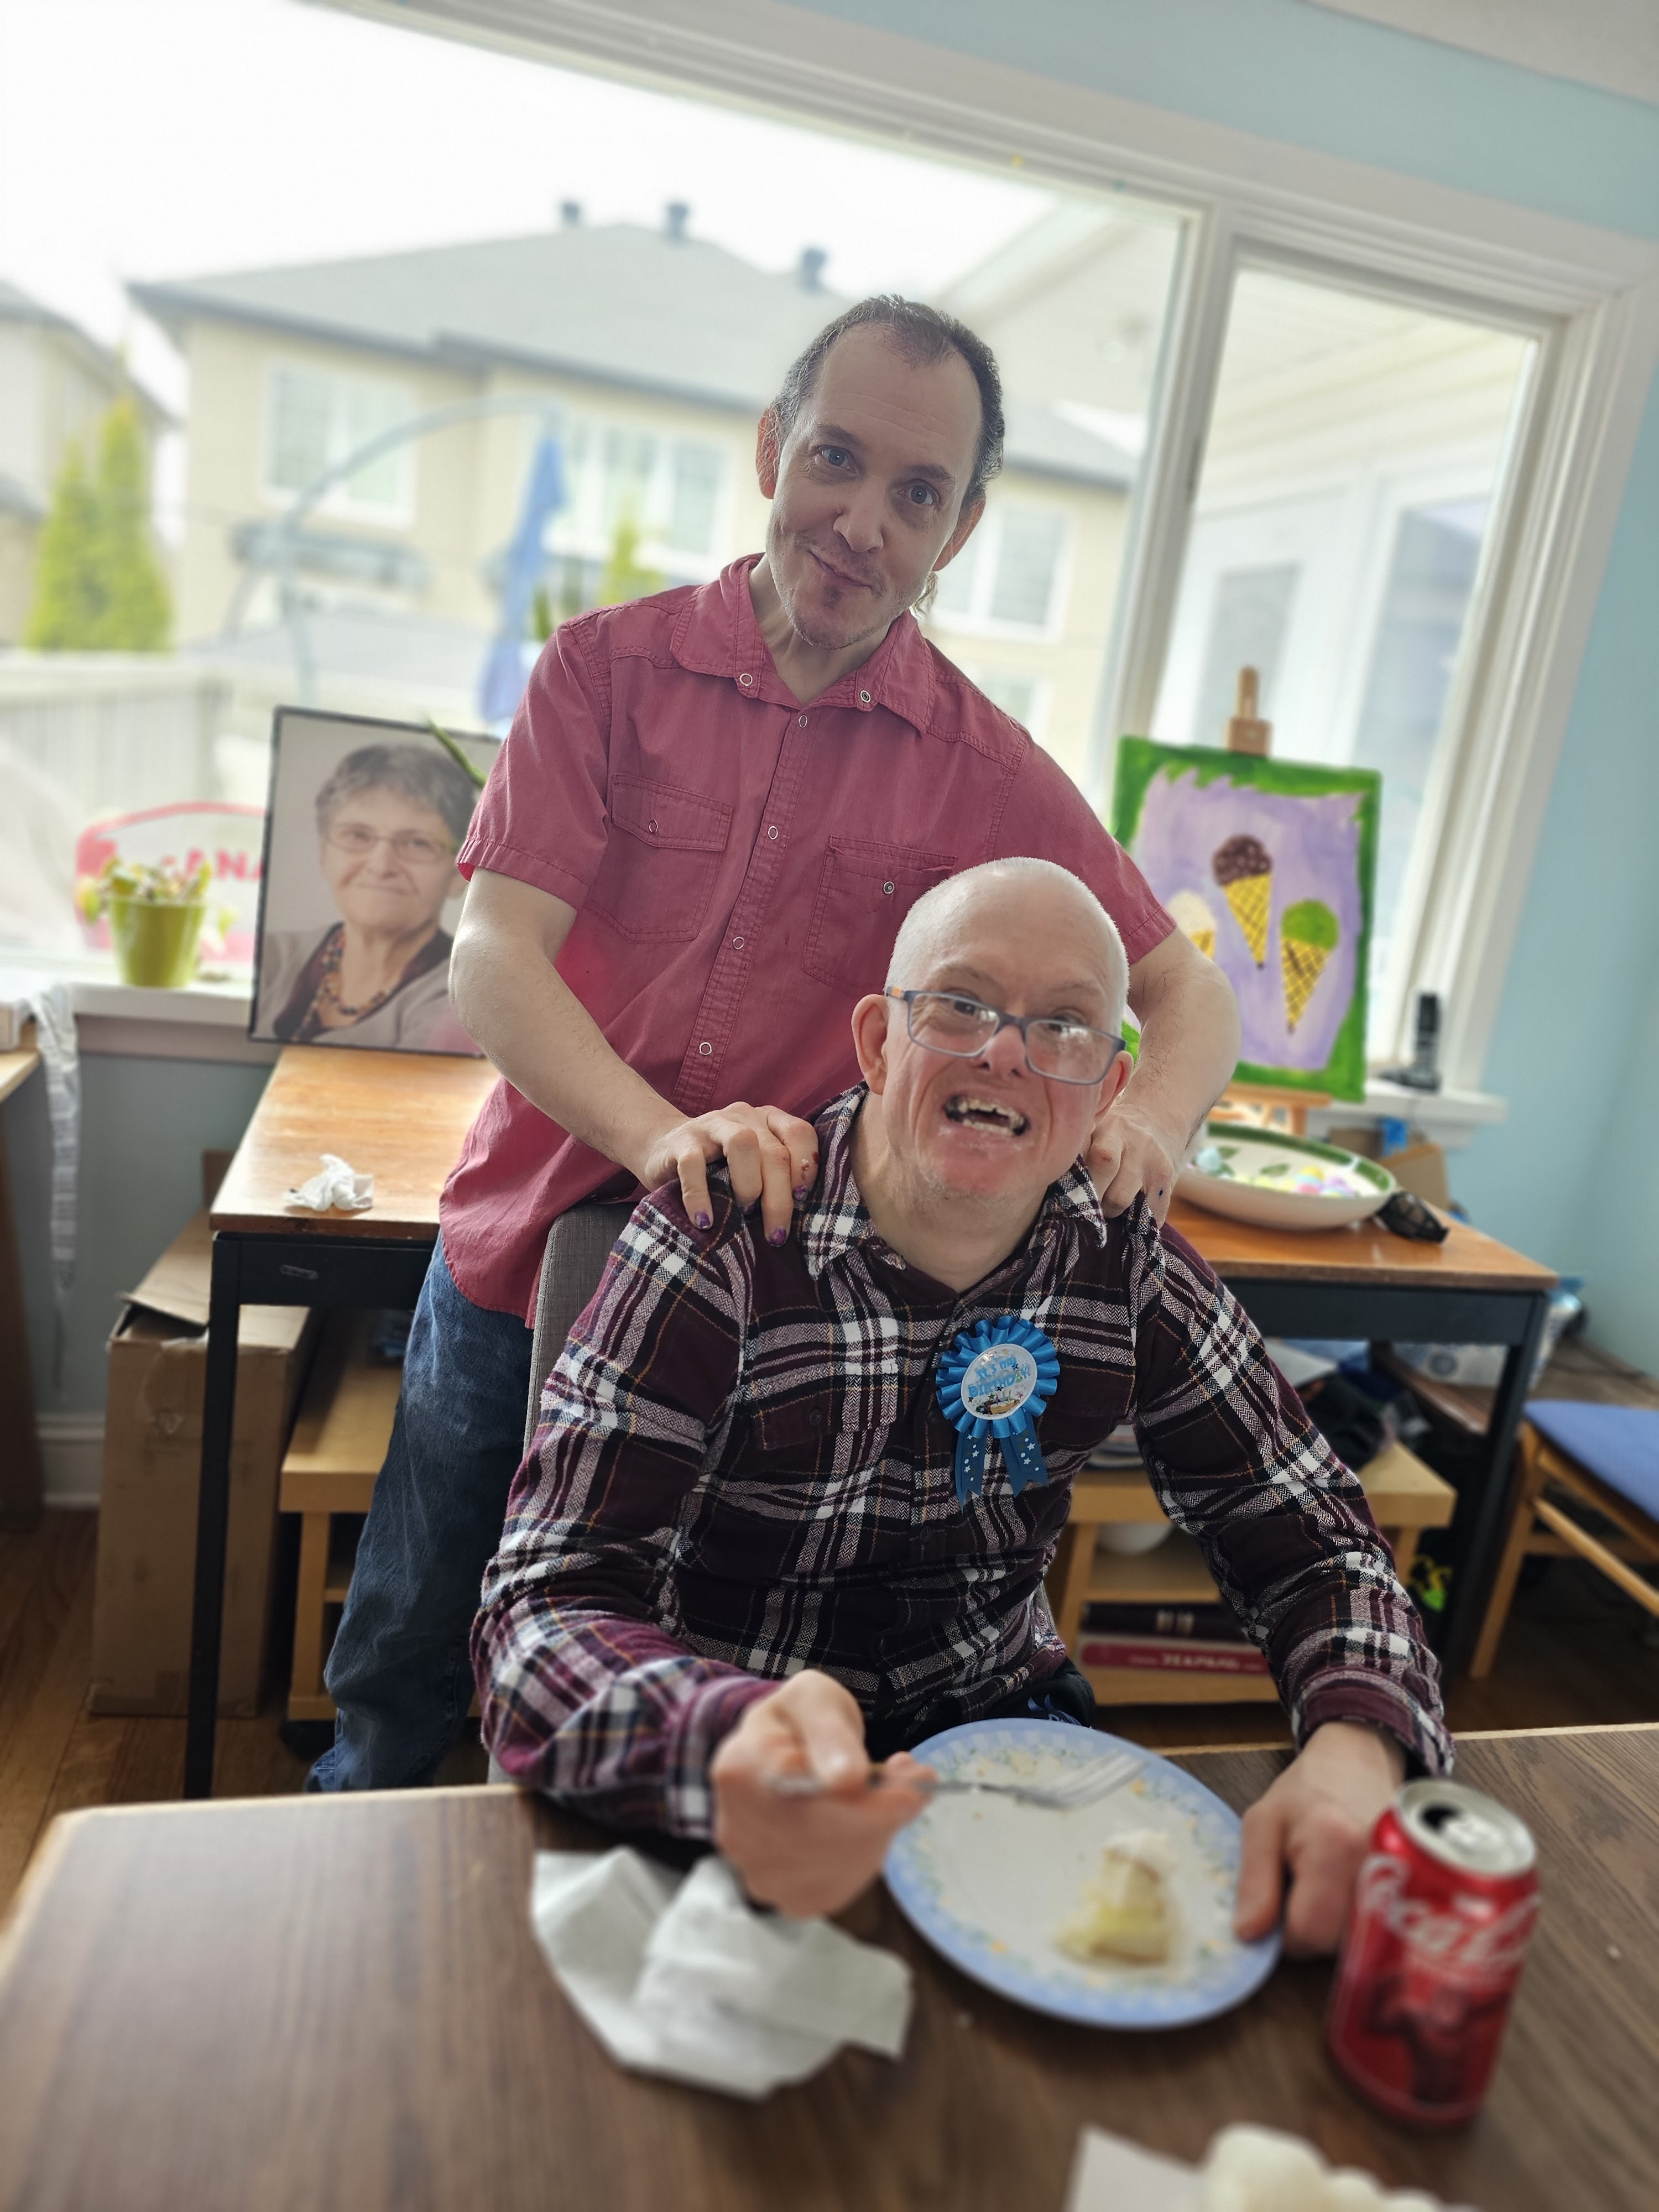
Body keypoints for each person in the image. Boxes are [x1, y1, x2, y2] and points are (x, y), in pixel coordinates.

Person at [310, 295, 1241, 1792]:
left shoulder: (987, 766)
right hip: (522, 1250)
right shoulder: (600, 675)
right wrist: (657, 1136)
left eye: (919, 494)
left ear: (962, 527)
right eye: (838, 460)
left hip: (753, 1311)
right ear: (772, 449)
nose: (864, 521)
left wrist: (1150, 1127)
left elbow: (1187, 998)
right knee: (411, 1651)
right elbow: (491, 956)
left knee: (648, 1678)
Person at [476, 860, 1448, 1954]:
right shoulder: (718, 1240)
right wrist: (712, 1741)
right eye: (962, 1003)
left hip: (1003, 1735)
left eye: (1066, 1025)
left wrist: (1359, 1748)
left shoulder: (1125, 1265)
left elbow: (1317, 1543)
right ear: (880, 1040)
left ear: (1111, 1087)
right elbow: (540, 1609)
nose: (1005, 1051)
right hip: (731, 1754)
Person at [257, 742, 480, 1052]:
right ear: (324, 854)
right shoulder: (273, 957)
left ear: (458, 875)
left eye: (417, 843)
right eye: (358, 836)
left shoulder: (463, 1000)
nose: (381, 866)